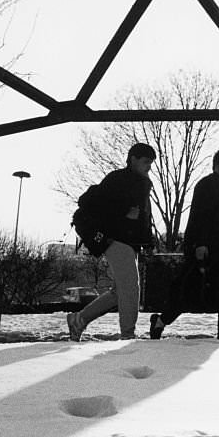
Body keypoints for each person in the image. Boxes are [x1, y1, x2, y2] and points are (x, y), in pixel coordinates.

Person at [150, 148, 219, 340]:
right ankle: (160, 321)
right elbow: (200, 216)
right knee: (188, 290)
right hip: (209, 250)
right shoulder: (208, 184)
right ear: (216, 164)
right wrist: (200, 244)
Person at [67, 142, 156, 340]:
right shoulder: (119, 179)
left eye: (151, 162)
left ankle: (79, 319)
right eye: (145, 161)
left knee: (119, 291)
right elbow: (90, 203)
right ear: (132, 159)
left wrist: (148, 241)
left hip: (129, 242)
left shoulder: (141, 183)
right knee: (131, 289)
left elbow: (142, 216)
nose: (149, 166)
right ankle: (128, 335)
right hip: (115, 240)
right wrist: (124, 213)